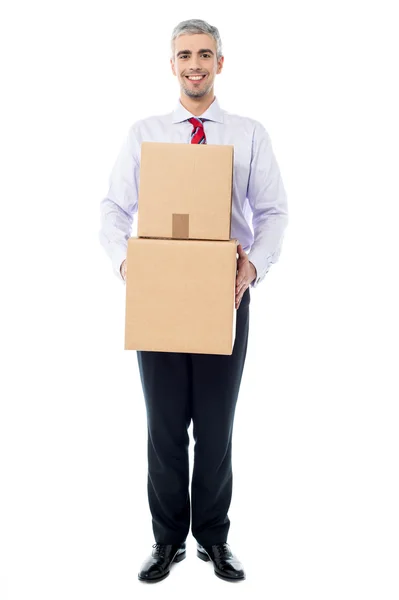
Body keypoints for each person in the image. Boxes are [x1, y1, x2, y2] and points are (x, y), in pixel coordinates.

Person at [99, 18, 288, 583]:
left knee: (215, 425)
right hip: (158, 294)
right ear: (172, 64)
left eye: (205, 54)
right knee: (163, 424)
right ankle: (166, 541)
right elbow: (112, 209)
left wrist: (253, 266)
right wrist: (129, 264)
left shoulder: (248, 133)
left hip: (223, 295)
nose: (195, 65)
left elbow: (274, 212)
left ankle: (214, 536)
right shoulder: (146, 133)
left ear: (220, 63)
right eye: (185, 55)